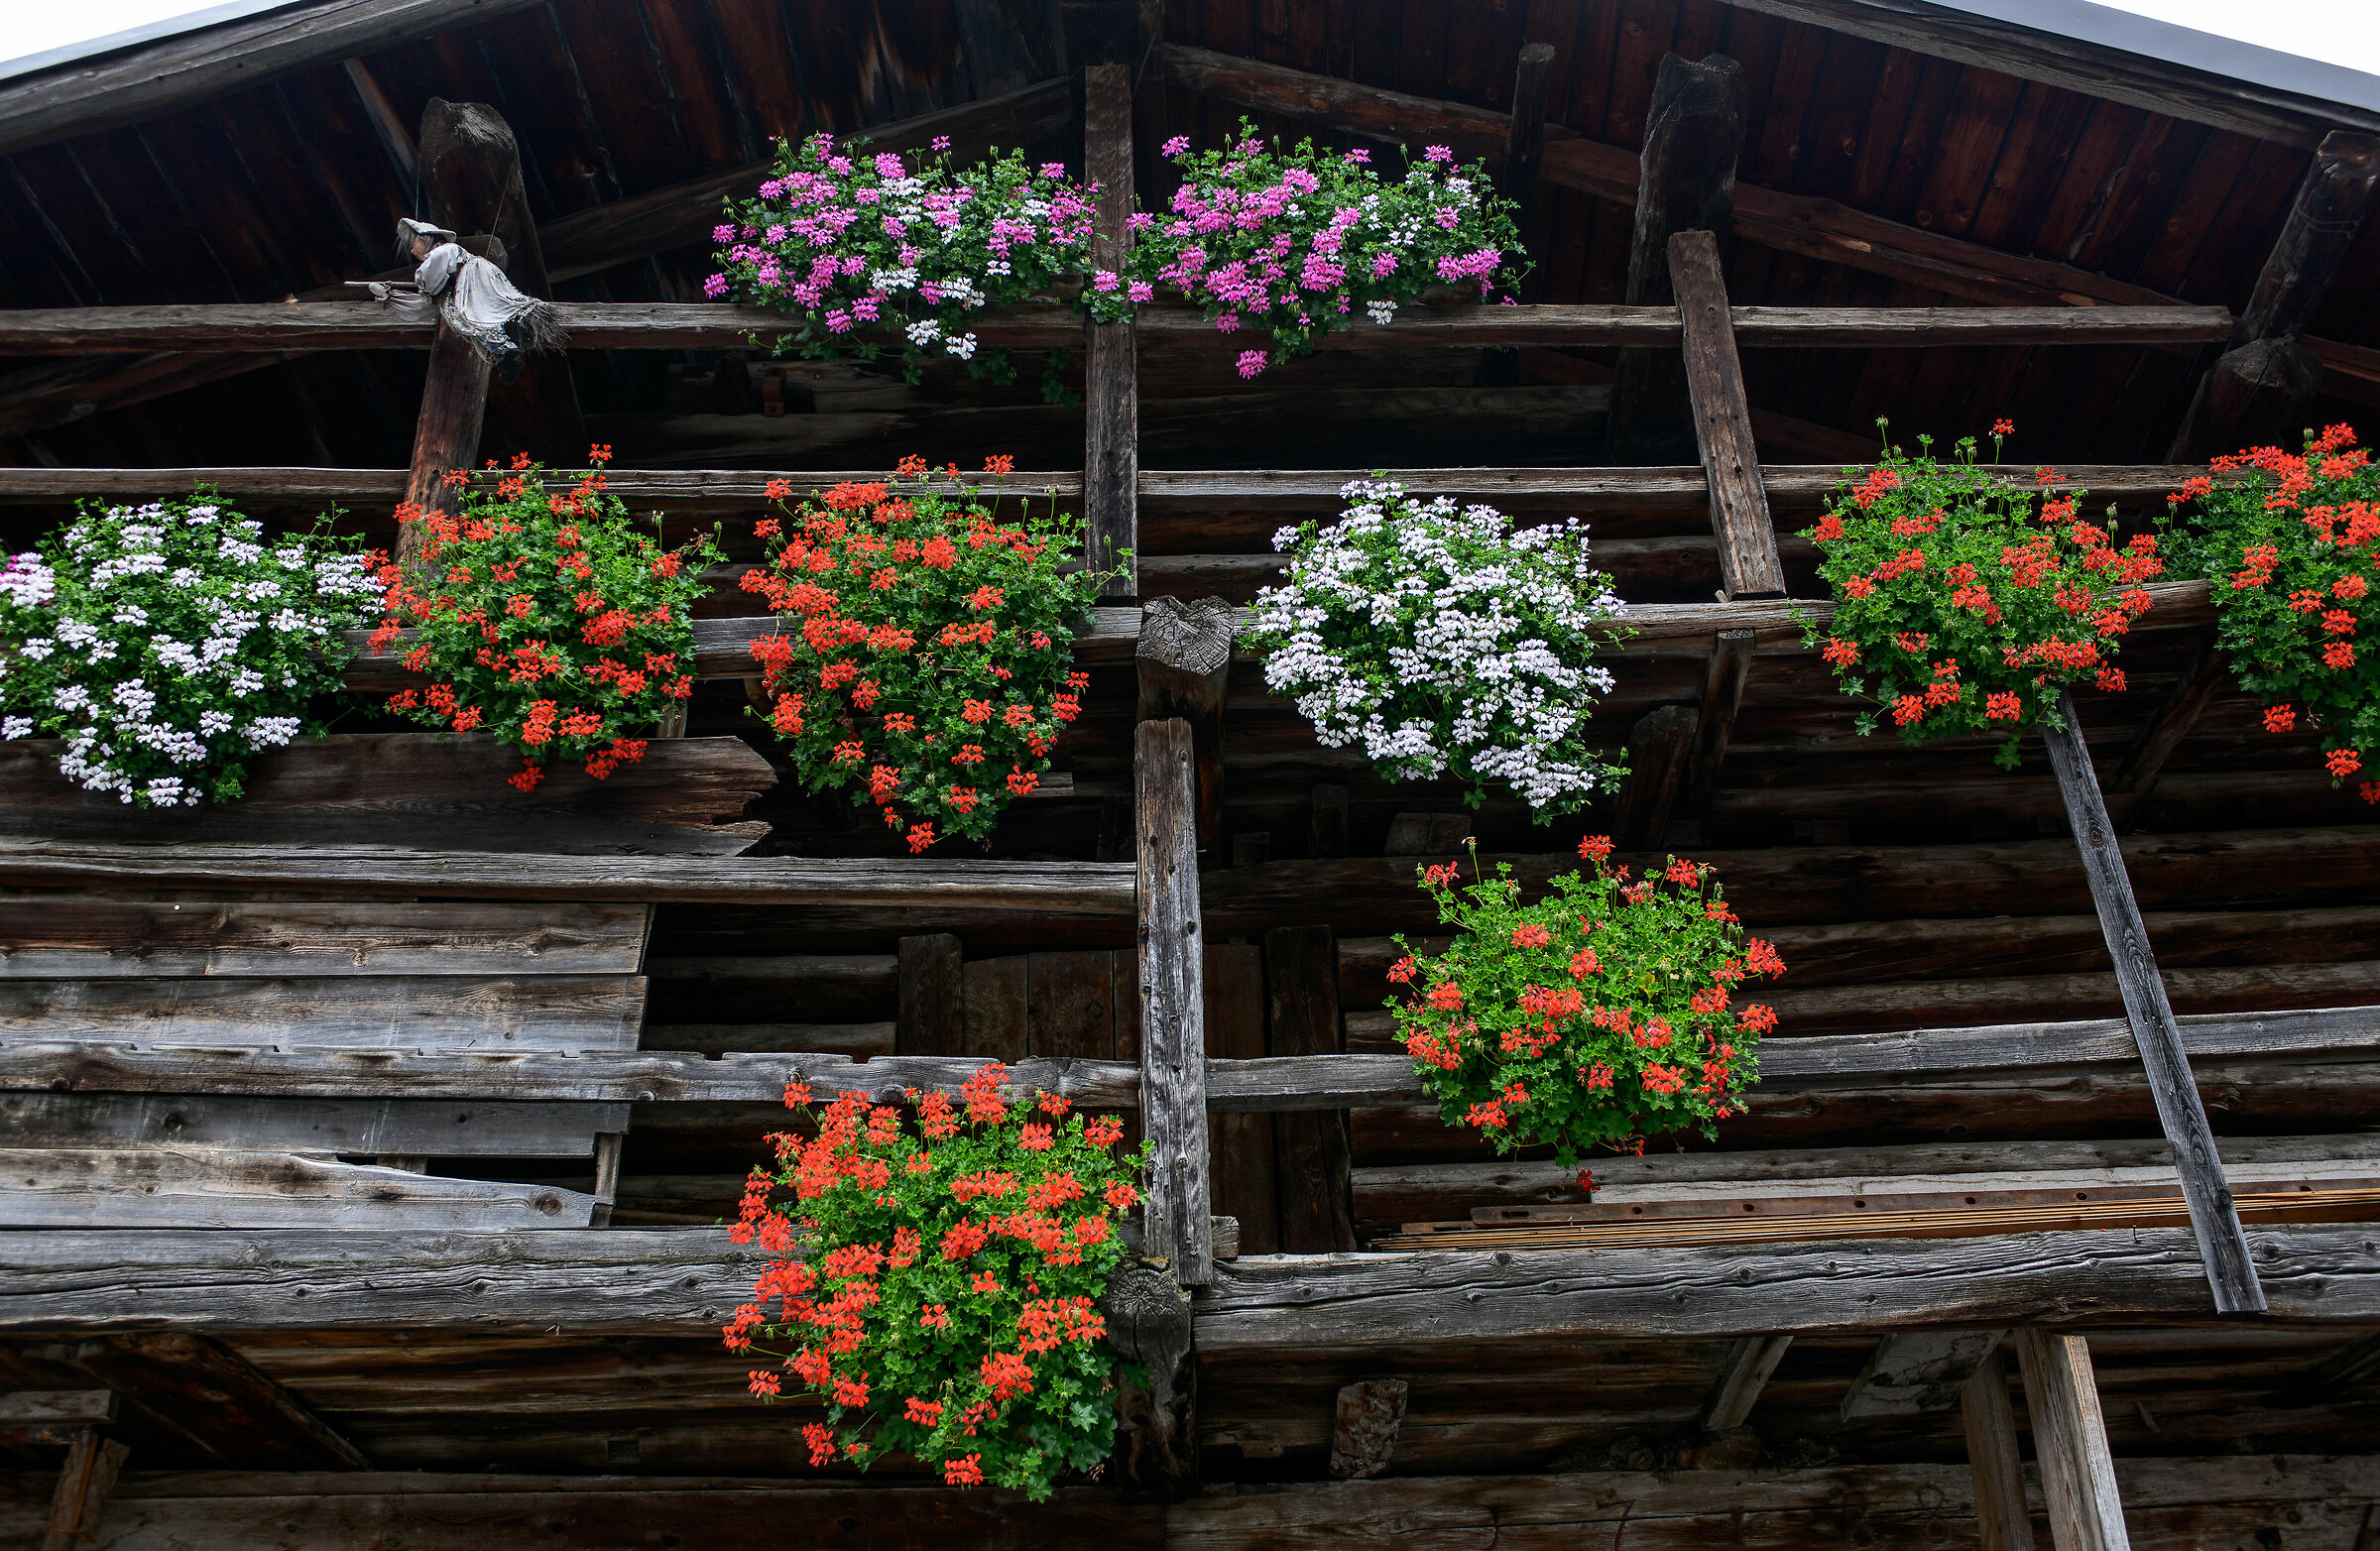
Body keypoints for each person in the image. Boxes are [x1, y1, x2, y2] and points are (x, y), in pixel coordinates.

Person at [366, 217, 564, 384]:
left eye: (412, 245)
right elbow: (430, 299)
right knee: (475, 318)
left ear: (424, 238)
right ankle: (503, 351)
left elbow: (429, 284)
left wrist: (422, 287)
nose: (412, 251)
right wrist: (393, 295)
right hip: (473, 280)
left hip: (471, 280)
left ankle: (504, 349)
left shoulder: (442, 252)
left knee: (473, 317)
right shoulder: (448, 253)